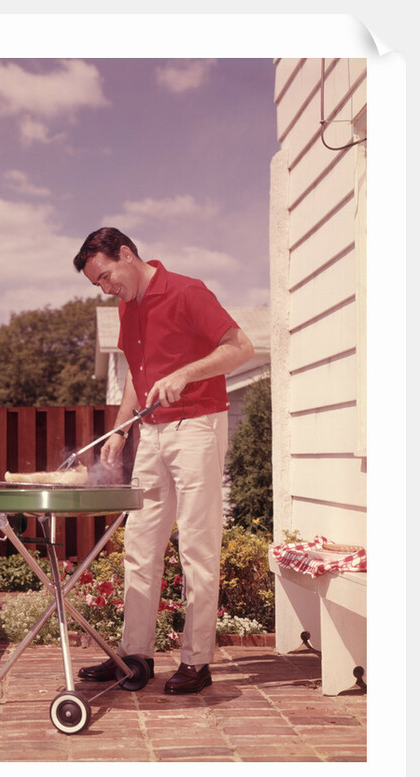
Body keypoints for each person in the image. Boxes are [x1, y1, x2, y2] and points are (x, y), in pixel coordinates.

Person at [72, 227, 254, 694]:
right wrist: (123, 426)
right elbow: (136, 374)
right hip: (150, 434)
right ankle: (136, 657)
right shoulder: (127, 306)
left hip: (196, 427)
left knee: (196, 547)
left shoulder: (188, 291)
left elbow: (241, 348)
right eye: (98, 284)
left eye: (106, 276)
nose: (106, 287)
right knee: (141, 544)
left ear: (127, 254)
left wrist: (186, 374)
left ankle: (197, 662)